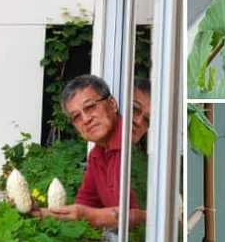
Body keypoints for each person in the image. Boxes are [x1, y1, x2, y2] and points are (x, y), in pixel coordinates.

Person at [44, 74, 149, 228]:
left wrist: (91, 216)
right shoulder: (96, 155)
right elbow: (86, 204)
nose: (86, 119)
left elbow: (153, 216)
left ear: (112, 104)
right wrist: (39, 213)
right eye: (76, 116)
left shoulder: (135, 145)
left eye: (90, 107)